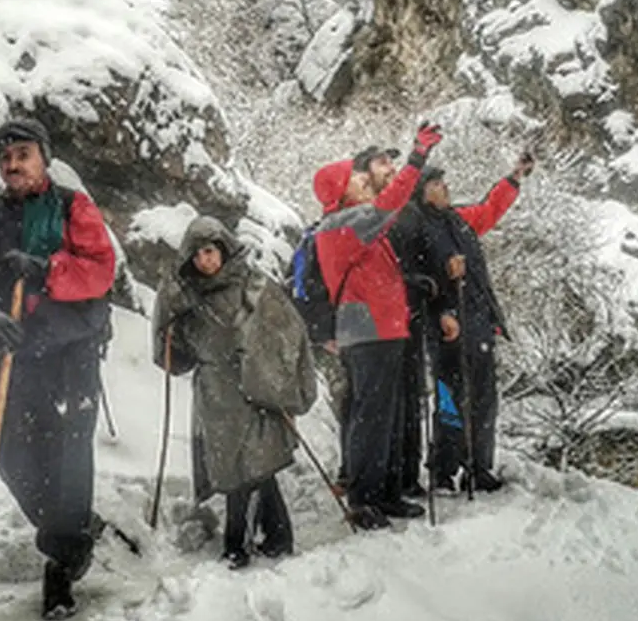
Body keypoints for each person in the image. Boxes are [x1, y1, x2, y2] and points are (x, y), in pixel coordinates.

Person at [0, 117, 116, 621]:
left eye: (22, 154)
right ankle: (72, 532)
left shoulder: (72, 206)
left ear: (44, 158)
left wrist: (46, 270)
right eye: (5, 158)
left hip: (71, 350)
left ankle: (61, 564)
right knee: (10, 452)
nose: (12, 164)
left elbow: (100, 269)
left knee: (67, 449)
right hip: (15, 350)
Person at [152, 216, 317, 568]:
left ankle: (237, 544)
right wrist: (169, 316)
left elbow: (286, 334)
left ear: (224, 249)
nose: (204, 261)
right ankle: (276, 536)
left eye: (210, 251)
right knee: (237, 468)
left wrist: (269, 376)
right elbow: (176, 357)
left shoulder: (255, 287)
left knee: (252, 467)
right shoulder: (188, 299)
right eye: (196, 255)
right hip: (215, 396)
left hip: (254, 392)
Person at [310, 122, 445, 528]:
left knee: (383, 415)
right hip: (368, 332)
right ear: (340, 190)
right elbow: (392, 201)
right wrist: (417, 156)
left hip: (382, 330)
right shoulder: (342, 223)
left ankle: (384, 492)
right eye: (356, 178)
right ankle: (364, 499)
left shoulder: (356, 224)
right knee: (371, 417)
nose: (365, 181)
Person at [394, 151, 533, 493]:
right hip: (445, 325)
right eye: (437, 184)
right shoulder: (413, 226)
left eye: (444, 183)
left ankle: (478, 465)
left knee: (484, 397)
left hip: (479, 320)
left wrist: (514, 178)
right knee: (449, 397)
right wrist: (441, 302)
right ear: (422, 191)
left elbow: (489, 210)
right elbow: (412, 277)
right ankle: (443, 468)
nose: (445, 189)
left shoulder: (458, 219)